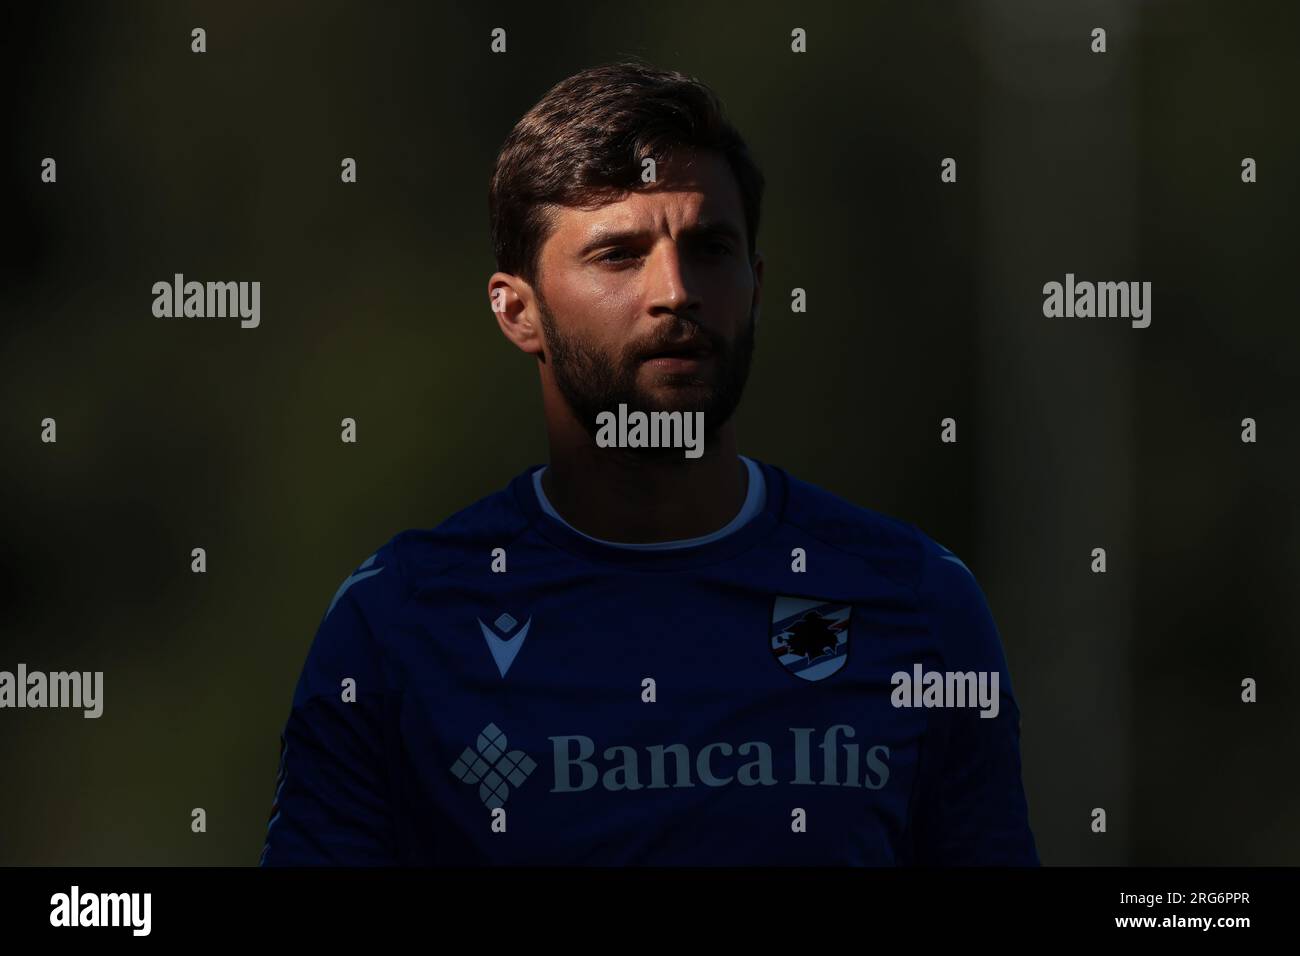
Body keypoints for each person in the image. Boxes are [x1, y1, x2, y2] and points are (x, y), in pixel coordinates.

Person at [259, 60, 1039, 866]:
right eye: (619, 256)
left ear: (757, 286)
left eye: (710, 249)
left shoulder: (916, 605)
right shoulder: (400, 624)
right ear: (517, 311)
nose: (675, 291)